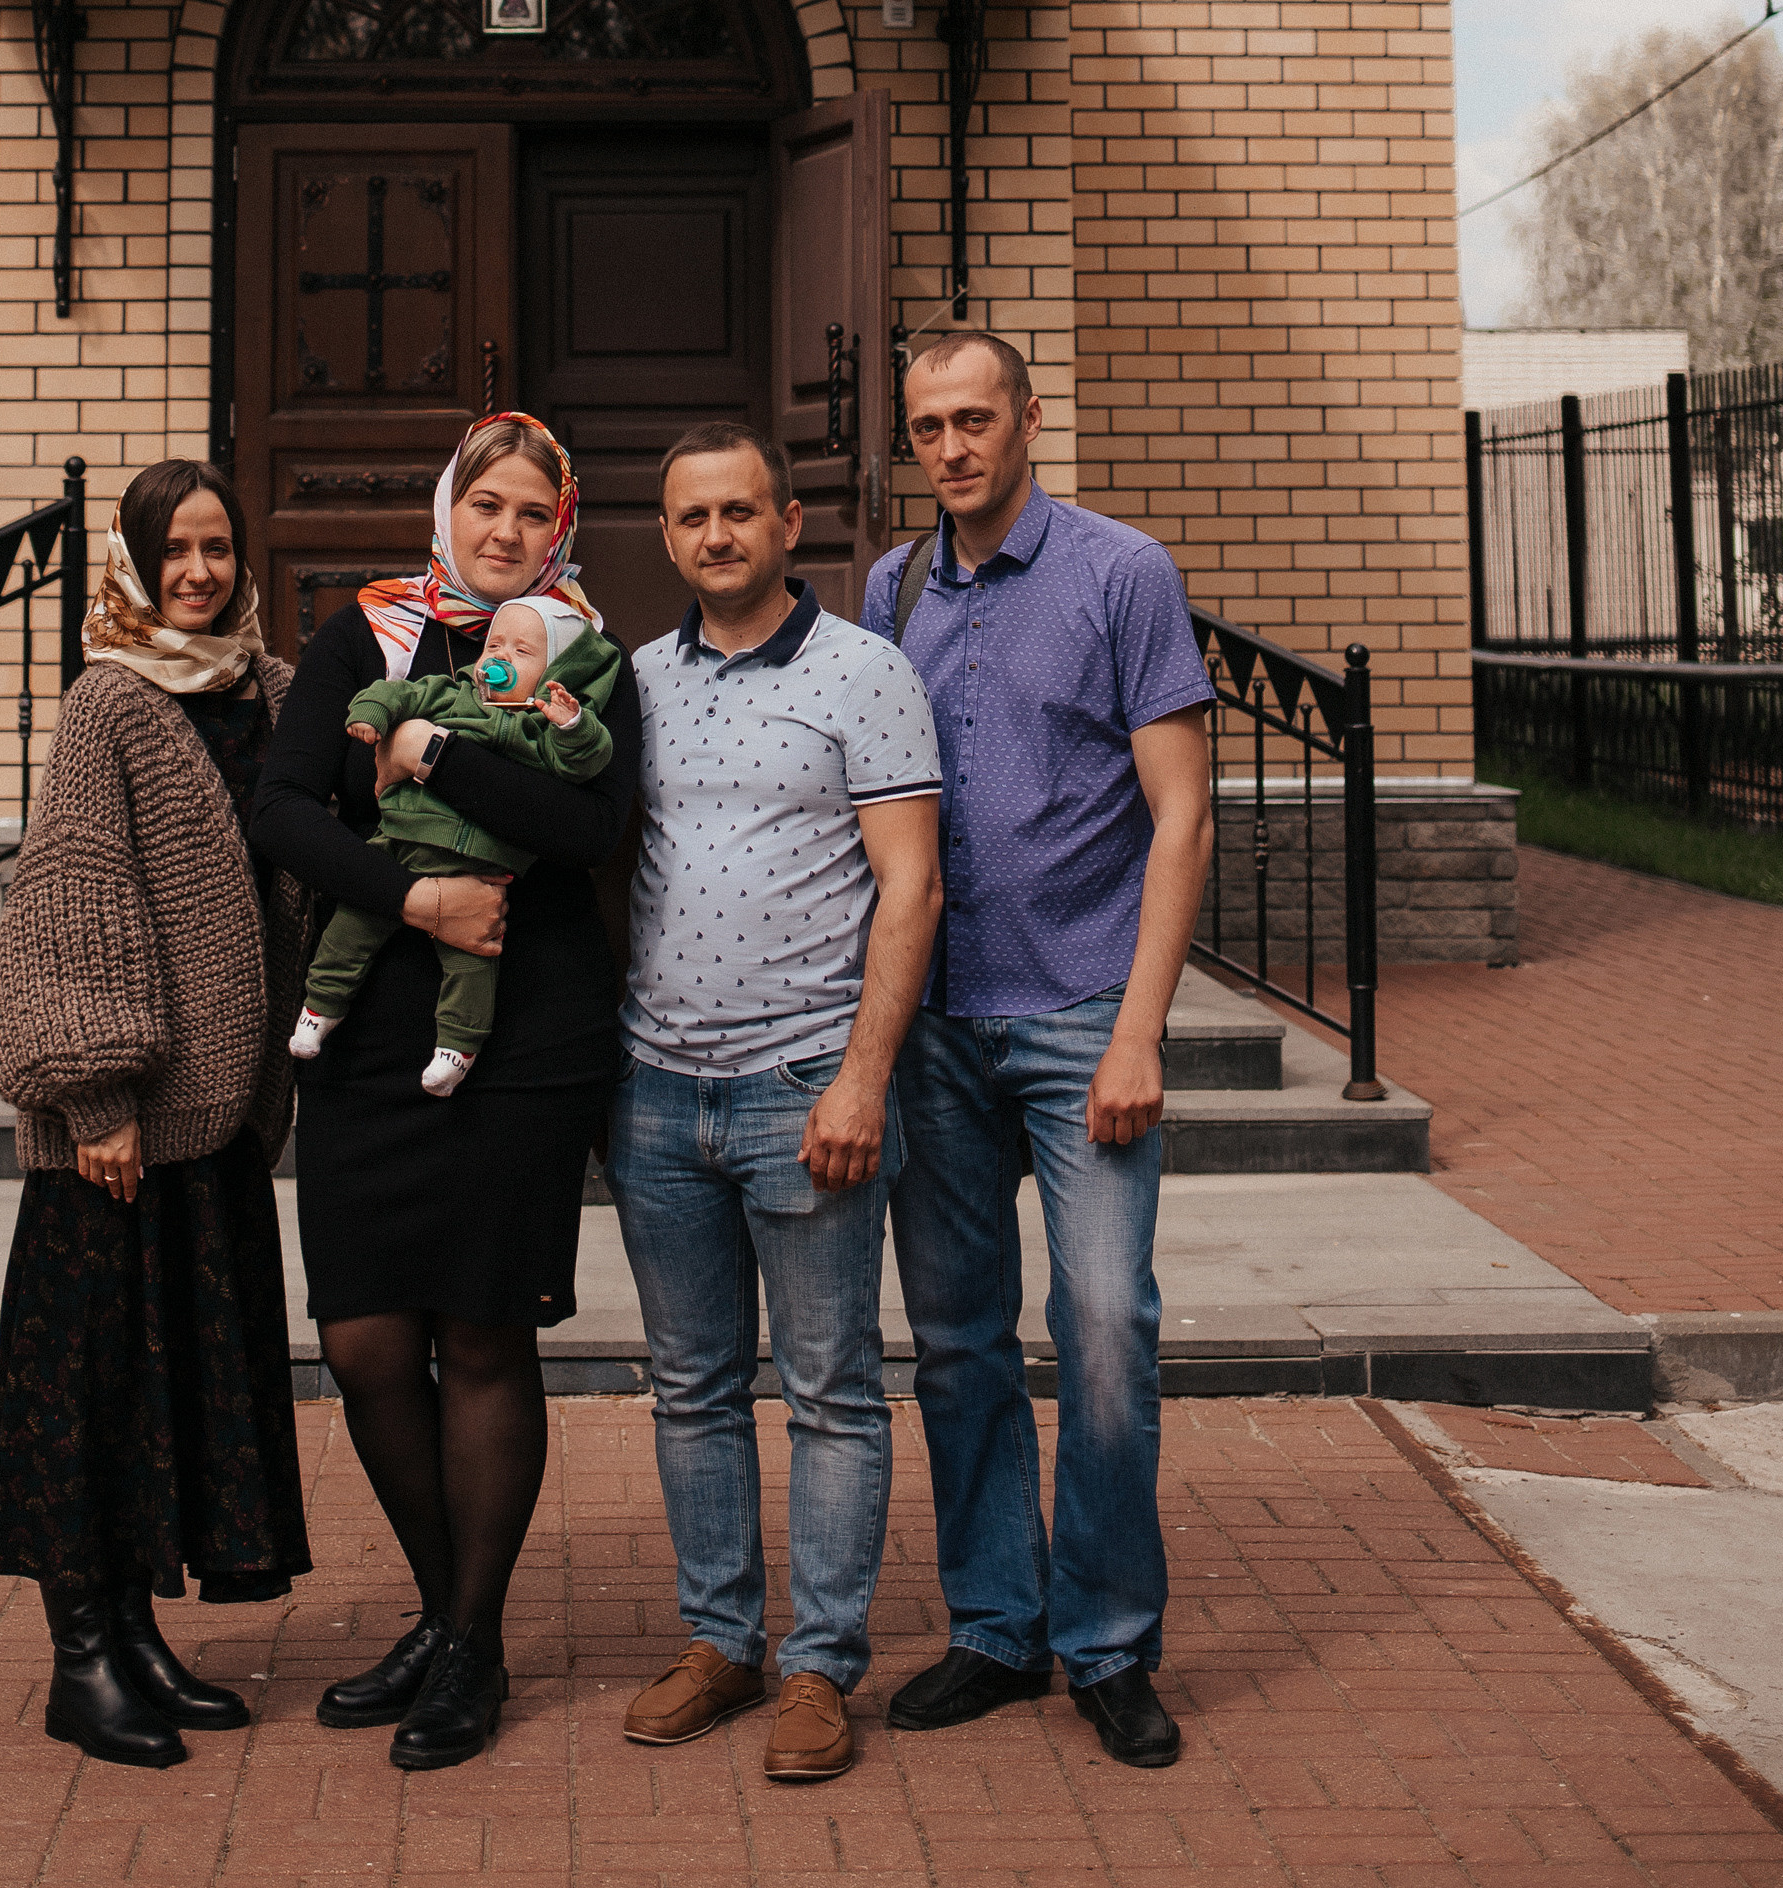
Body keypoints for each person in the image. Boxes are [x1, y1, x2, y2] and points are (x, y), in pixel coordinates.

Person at [252, 414, 641, 1772]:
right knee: (363, 1340)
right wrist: (411, 891)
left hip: (526, 1031)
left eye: (534, 513)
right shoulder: (365, 636)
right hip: (367, 1025)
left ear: (562, 528)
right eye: (485, 503)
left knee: (481, 1339)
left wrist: (436, 759)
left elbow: (593, 826)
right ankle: (447, 1614)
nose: (505, 531)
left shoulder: (583, 656)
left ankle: (468, 1644)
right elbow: (285, 806)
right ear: (447, 508)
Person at [870, 334, 1213, 1771]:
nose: (952, 448)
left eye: (975, 419)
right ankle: (999, 1628)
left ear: (1027, 419)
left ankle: (1111, 1643)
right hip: (938, 1026)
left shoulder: (1121, 574)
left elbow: (1184, 818)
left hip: (1082, 1015)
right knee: (958, 1346)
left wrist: (1141, 1030)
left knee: (1110, 1334)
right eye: (928, 426)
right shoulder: (890, 593)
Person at [606, 426, 942, 1786]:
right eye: (693, 518)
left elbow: (910, 889)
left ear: (788, 522)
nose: (717, 536)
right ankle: (723, 1641)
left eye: (740, 511)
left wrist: (864, 1075)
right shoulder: (629, 683)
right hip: (656, 1089)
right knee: (689, 1387)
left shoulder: (869, 674)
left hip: (808, 1087)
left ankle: (820, 1667)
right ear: (671, 537)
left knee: (830, 1390)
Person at [0, 458, 313, 1768]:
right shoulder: (107, 705)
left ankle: (137, 1639)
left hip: (220, 1117)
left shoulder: (273, 695)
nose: (199, 571)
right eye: (173, 549)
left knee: (177, 1379)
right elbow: (72, 899)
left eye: (218, 548)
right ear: (131, 560)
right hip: (112, 1134)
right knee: (91, 1385)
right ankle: (82, 1659)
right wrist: (96, 1094)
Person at [291, 590, 621, 1093]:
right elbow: (396, 693)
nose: (500, 658)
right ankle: (319, 1009)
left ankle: (457, 1049)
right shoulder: (452, 692)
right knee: (349, 931)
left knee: (472, 964)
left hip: (479, 875)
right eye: (495, 646)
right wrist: (373, 715)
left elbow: (583, 769)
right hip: (400, 845)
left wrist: (572, 724)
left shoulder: (541, 731)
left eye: (523, 652)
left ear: (557, 673)